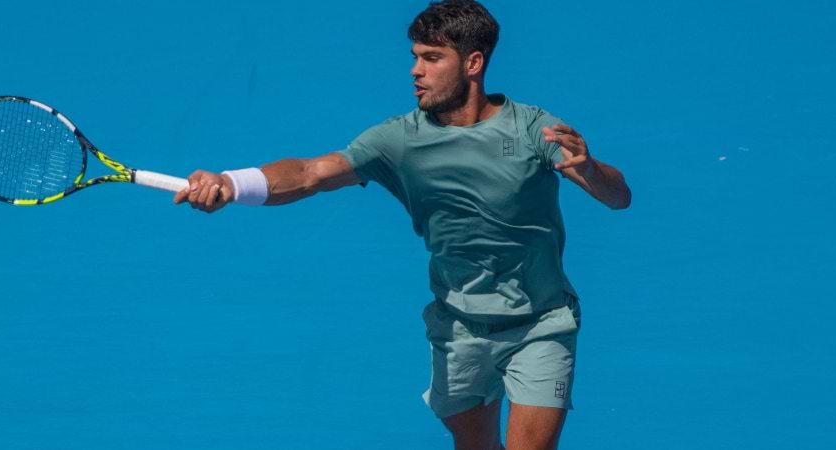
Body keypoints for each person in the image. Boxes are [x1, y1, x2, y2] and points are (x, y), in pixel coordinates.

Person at [172, 1, 631, 448]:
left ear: (473, 63)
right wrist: (231, 183)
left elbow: (618, 197)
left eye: (432, 58)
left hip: (541, 324)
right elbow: (310, 173)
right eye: (415, 57)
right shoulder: (397, 140)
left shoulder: (533, 129)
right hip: (458, 327)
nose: (416, 70)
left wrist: (589, 171)